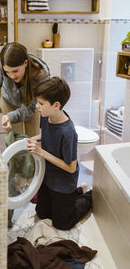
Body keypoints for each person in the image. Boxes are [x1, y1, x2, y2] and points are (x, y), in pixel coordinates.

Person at [26, 76, 92, 230]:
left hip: (63, 183)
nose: (37, 106)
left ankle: (89, 196)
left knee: (62, 224)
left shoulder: (68, 133)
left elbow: (71, 167)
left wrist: (41, 152)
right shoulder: (46, 116)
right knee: (42, 214)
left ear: (56, 105)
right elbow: (47, 135)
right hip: (48, 178)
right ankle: (77, 192)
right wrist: (34, 139)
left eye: (41, 103)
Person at [0, 42, 50, 137]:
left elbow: (30, 108)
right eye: (7, 72)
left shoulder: (41, 74)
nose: (11, 76)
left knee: (33, 138)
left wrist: (10, 117)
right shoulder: (3, 63)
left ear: (25, 63)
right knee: (13, 138)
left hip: (31, 105)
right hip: (9, 101)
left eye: (15, 71)